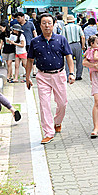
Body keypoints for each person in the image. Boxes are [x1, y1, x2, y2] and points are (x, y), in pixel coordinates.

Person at [25, 13, 75, 144]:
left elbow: (69, 56)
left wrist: (72, 73)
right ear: (40, 25)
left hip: (59, 74)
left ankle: (57, 122)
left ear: (54, 25)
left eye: (49, 23)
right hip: (42, 76)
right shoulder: (34, 42)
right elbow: (29, 60)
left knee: (62, 103)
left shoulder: (61, 39)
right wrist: (27, 77)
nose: (47, 26)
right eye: (44, 23)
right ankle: (48, 132)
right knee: (44, 104)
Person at [62, 15, 85, 80]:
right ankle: (78, 75)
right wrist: (83, 46)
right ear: (73, 20)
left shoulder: (65, 28)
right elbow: (82, 37)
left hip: (68, 45)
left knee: (68, 61)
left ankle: (67, 76)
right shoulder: (78, 27)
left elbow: (63, 37)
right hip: (77, 44)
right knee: (79, 60)